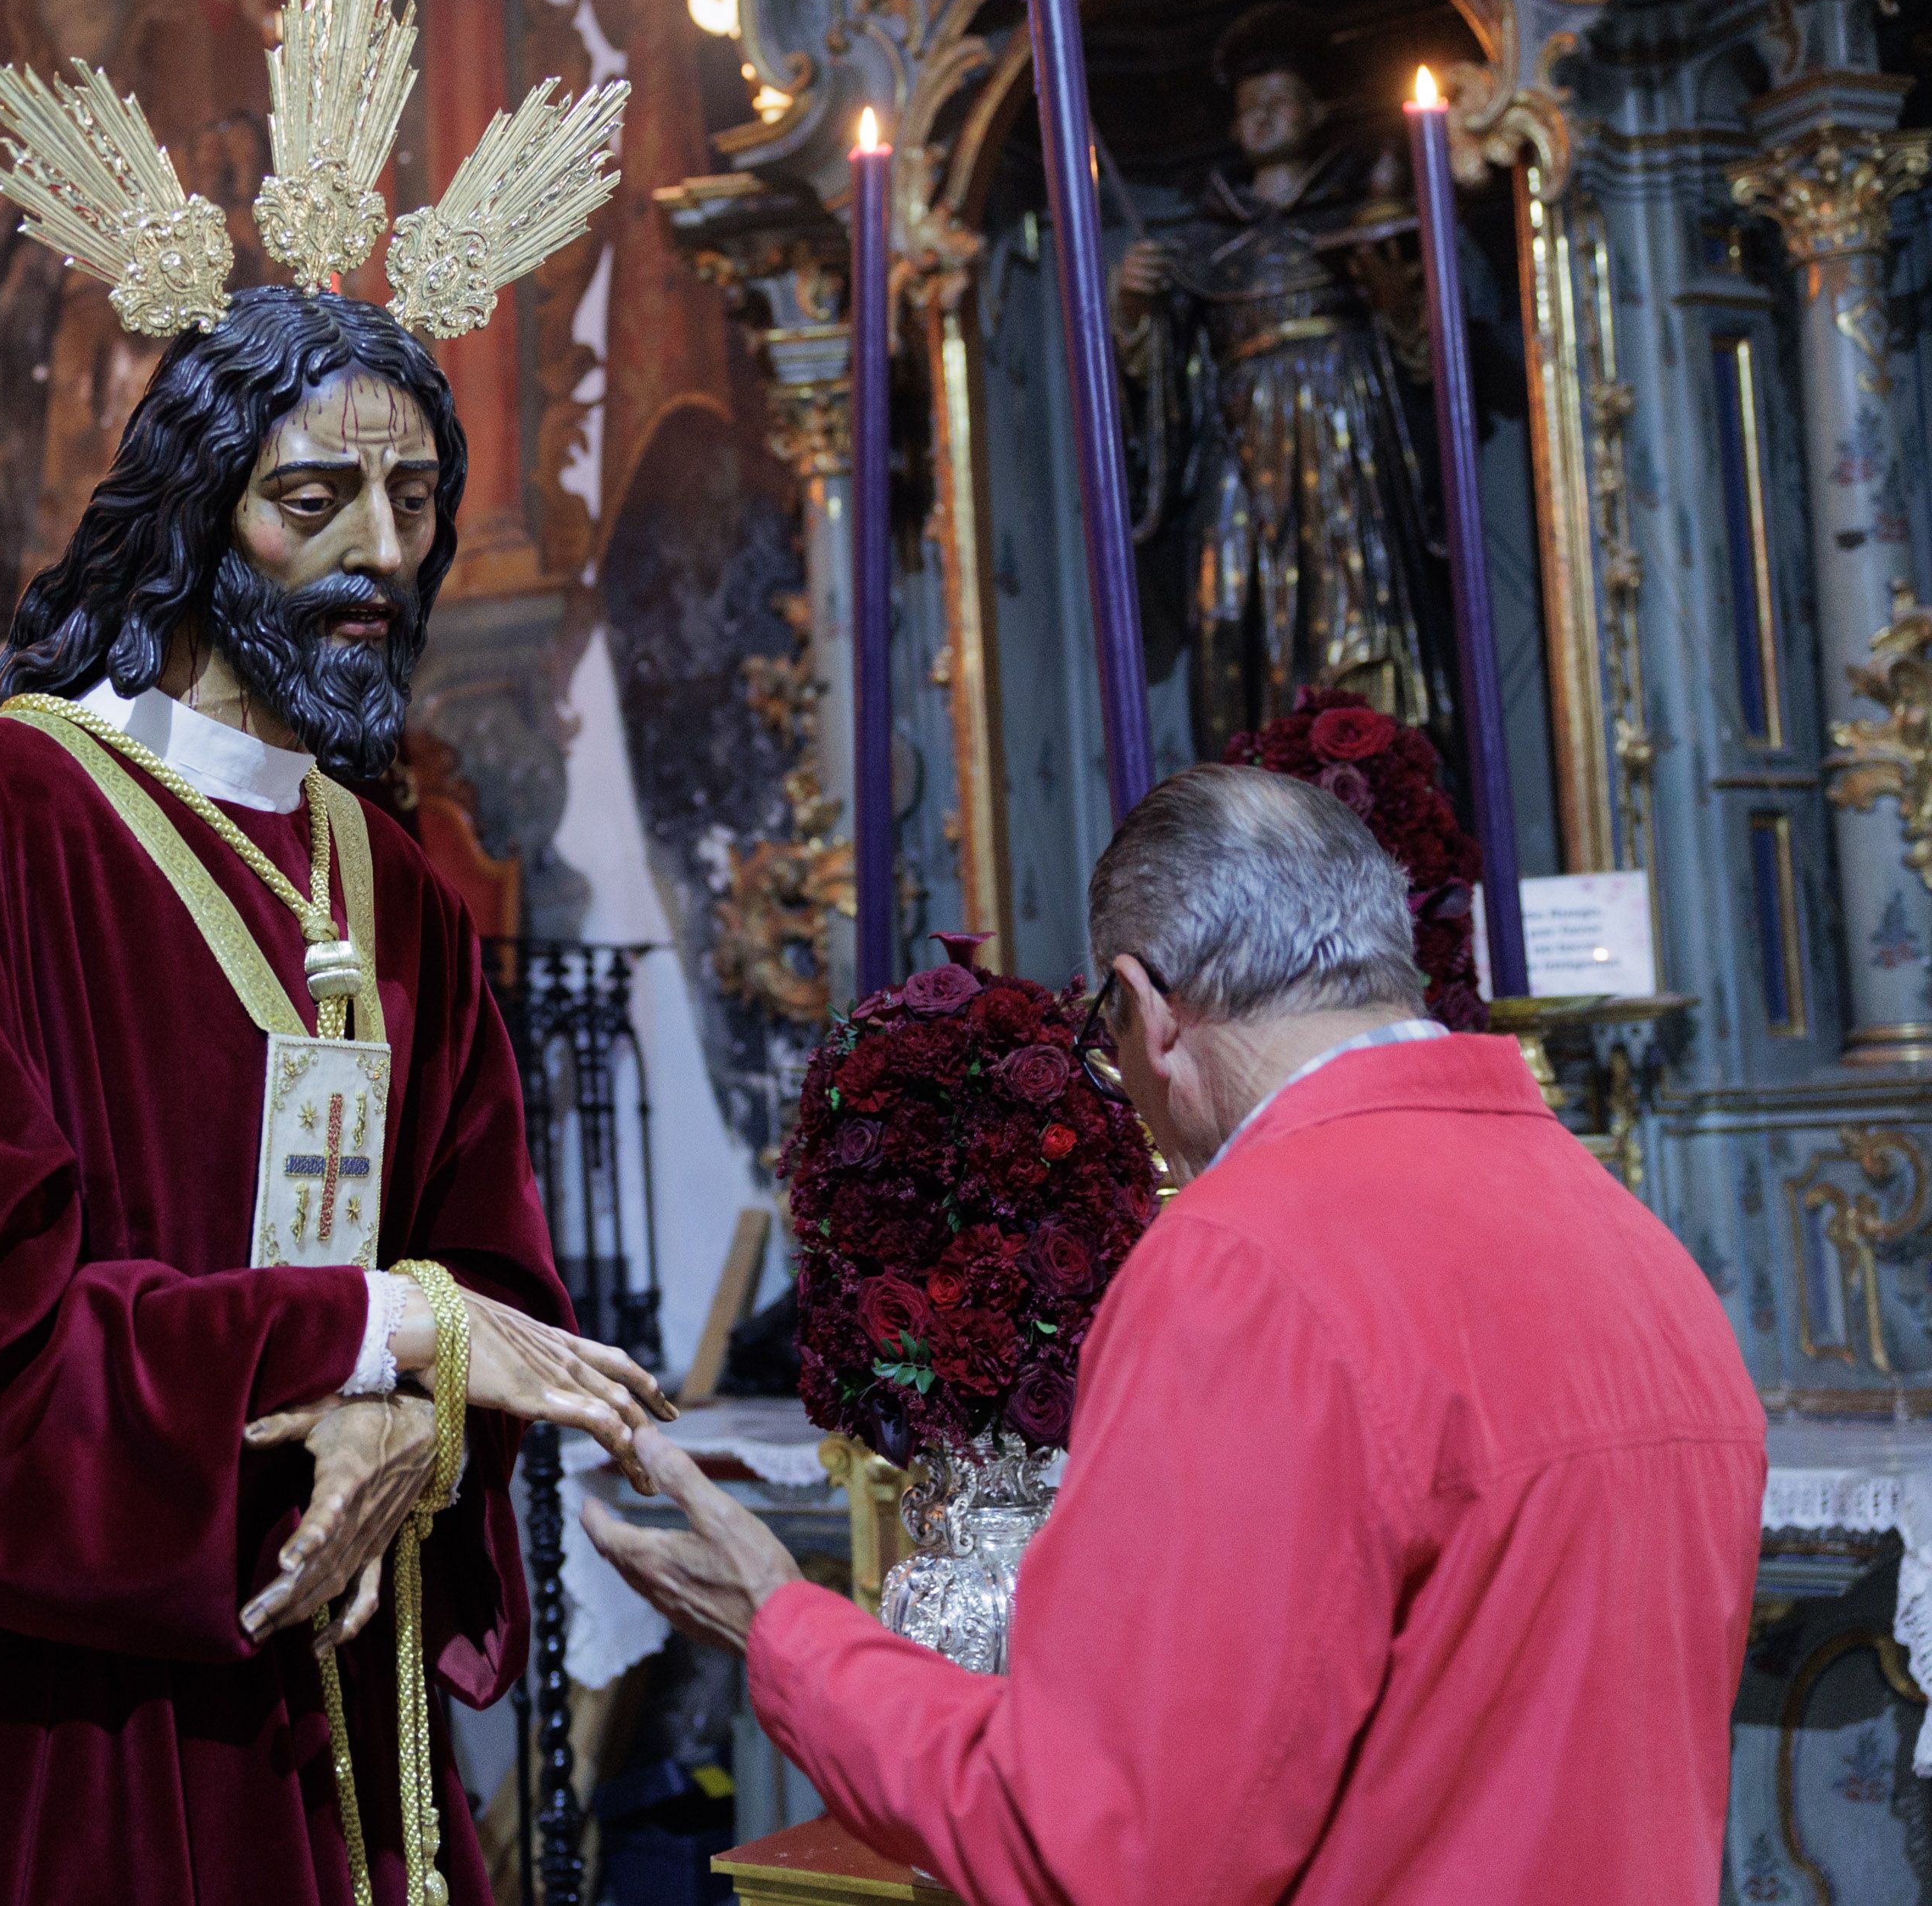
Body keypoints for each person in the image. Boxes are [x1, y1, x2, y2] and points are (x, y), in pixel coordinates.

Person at [0, 0, 656, 1903]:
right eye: (312, 498)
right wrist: (377, 1333)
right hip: (44, 1718)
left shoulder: (397, 892)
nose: (380, 558)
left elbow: (485, 1271)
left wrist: (409, 1425)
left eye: (416, 502)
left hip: (338, 1679)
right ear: (190, 516)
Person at [583, 763, 1764, 1903]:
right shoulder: (1637, 1245)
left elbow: (1100, 1842)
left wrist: (785, 1629)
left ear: (1146, 1006)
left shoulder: (1241, 1262)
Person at [1111, 7, 1447, 758]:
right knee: (1237, 612)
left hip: (1345, 440)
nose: (1262, 118)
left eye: (1280, 101)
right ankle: (1260, 789)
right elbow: (1160, 388)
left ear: (1318, 110)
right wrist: (1133, 310)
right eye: (1248, 108)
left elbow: (1431, 366)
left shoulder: (1363, 215)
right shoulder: (1204, 240)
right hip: (1240, 451)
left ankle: (1374, 790)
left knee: (1356, 605)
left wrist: (1397, 312)